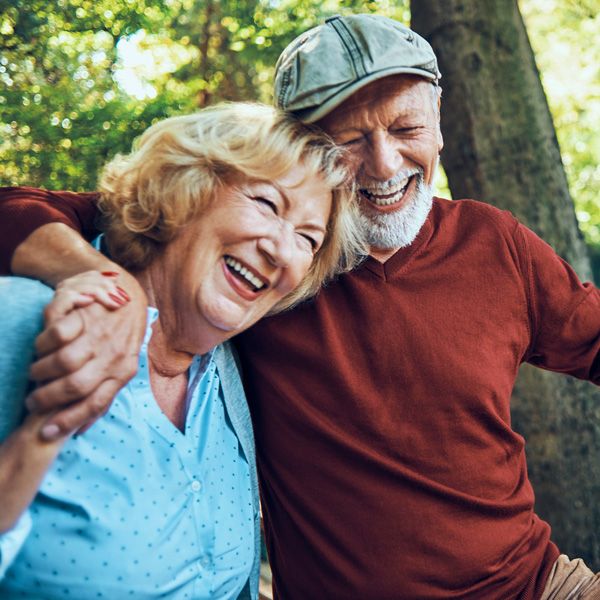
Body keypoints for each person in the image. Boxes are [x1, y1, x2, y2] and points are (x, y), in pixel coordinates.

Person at [0, 12, 599, 600]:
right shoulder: (252, 273)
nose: (385, 164)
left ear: (439, 124)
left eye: (407, 129)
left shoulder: (493, 243)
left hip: (537, 583)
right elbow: (65, 209)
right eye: (350, 140)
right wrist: (101, 278)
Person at [0, 101, 362, 599]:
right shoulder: (22, 321)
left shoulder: (233, 376)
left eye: (307, 237)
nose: (281, 249)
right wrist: (42, 432)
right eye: (266, 203)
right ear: (185, 189)